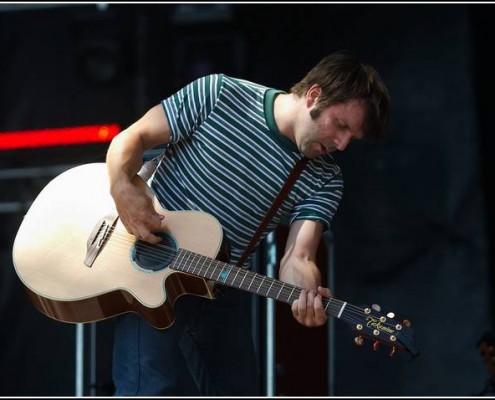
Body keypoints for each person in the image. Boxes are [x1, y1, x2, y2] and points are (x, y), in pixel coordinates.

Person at [105, 49, 390, 396]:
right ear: (314, 95)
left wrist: (308, 292)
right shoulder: (219, 94)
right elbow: (131, 138)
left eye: (351, 139)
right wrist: (122, 187)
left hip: (219, 287)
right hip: (149, 269)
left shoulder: (324, 178)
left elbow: (298, 258)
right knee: (147, 390)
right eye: (341, 126)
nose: (342, 145)